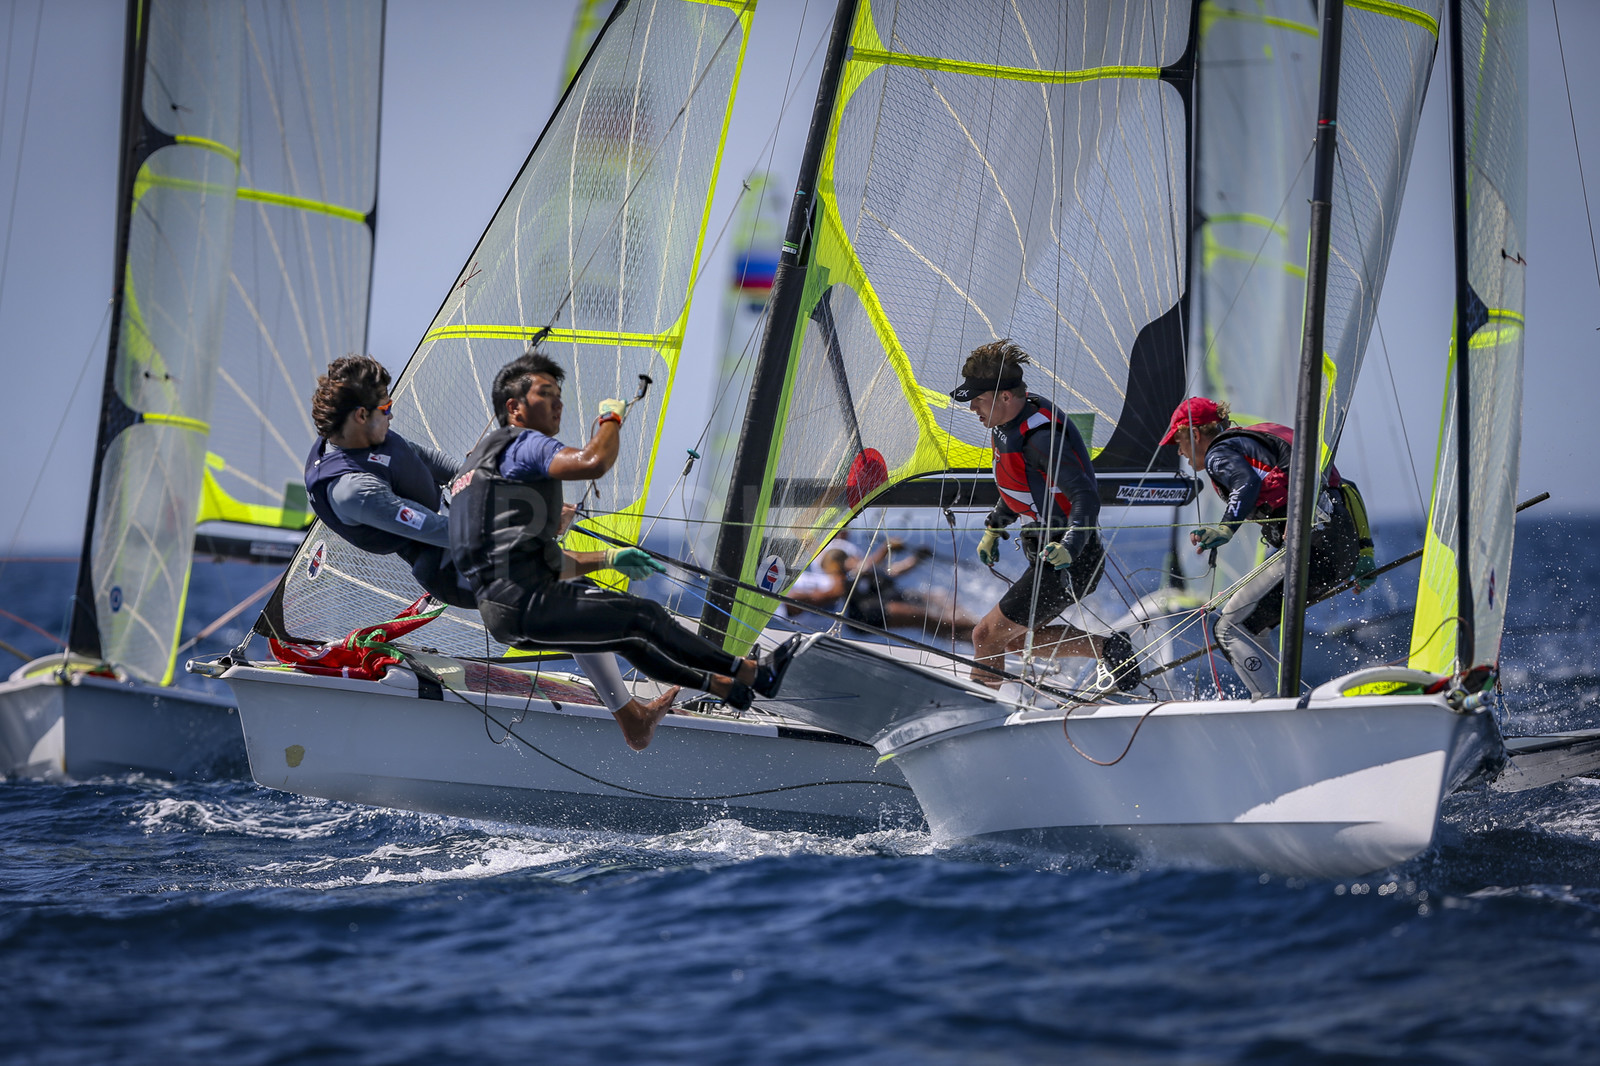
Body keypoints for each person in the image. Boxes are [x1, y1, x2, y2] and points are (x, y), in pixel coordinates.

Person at [449, 350, 798, 750]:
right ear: (515, 407)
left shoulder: (476, 465)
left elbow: (547, 563)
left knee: (628, 636)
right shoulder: (521, 444)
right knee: (644, 615)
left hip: (504, 614)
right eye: (546, 393)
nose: (559, 402)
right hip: (528, 604)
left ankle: (714, 685)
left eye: (559, 393)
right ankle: (754, 673)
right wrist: (609, 421)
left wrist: (611, 558)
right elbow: (593, 461)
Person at [950, 340, 1138, 691]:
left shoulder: (1042, 438)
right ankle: (1110, 649)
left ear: (1005, 397)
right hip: (1051, 557)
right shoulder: (1008, 428)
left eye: (978, 398)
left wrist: (1070, 544)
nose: (972, 406)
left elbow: (1085, 496)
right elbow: (1022, 488)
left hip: (1070, 559)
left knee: (986, 634)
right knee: (1017, 640)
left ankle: (980, 709)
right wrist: (994, 527)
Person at [1162, 396, 1367, 698]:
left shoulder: (1219, 453)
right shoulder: (1256, 441)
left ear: (1194, 434)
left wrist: (1225, 527)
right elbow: (1345, 487)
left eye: (1178, 441)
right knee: (1252, 624)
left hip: (1310, 548)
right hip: (1338, 549)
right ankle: (1287, 697)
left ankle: (1270, 704)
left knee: (1226, 628)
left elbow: (1246, 484)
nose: (1179, 451)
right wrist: (1365, 552)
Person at [304, 355, 477, 610]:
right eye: (386, 409)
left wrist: (475, 479)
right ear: (361, 415)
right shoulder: (354, 490)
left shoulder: (359, 435)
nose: (391, 415)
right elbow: (433, 528)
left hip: (457, 523)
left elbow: (422, 458)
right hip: (450, 565)